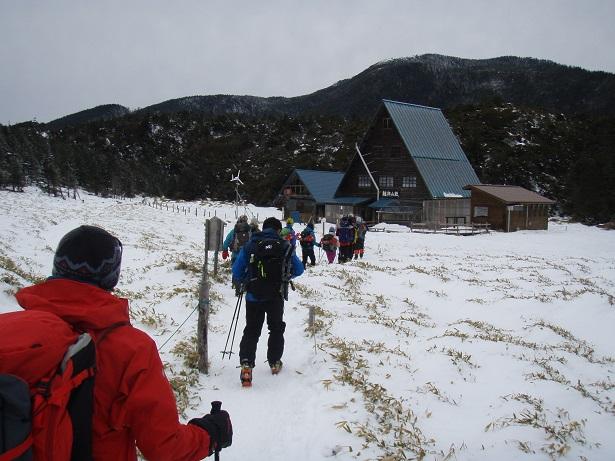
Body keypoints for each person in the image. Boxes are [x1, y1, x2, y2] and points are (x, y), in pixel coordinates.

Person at [14, 225, 232, 460]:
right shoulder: (131, 349)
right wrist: (209, 434)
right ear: (111, 276)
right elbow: (165, 447)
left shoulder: (14, 332)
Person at [232, 217, 304, 386]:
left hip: (253, 296)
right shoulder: (285, 246)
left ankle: (246, 364)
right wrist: (285, 278)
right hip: (275, 296)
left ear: (263, 229)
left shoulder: (250, 245)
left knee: (251, 330)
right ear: (279, 230)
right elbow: (299, 269)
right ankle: (274, 362)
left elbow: (236, 271)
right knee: (276, 328)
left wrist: (247, 279)